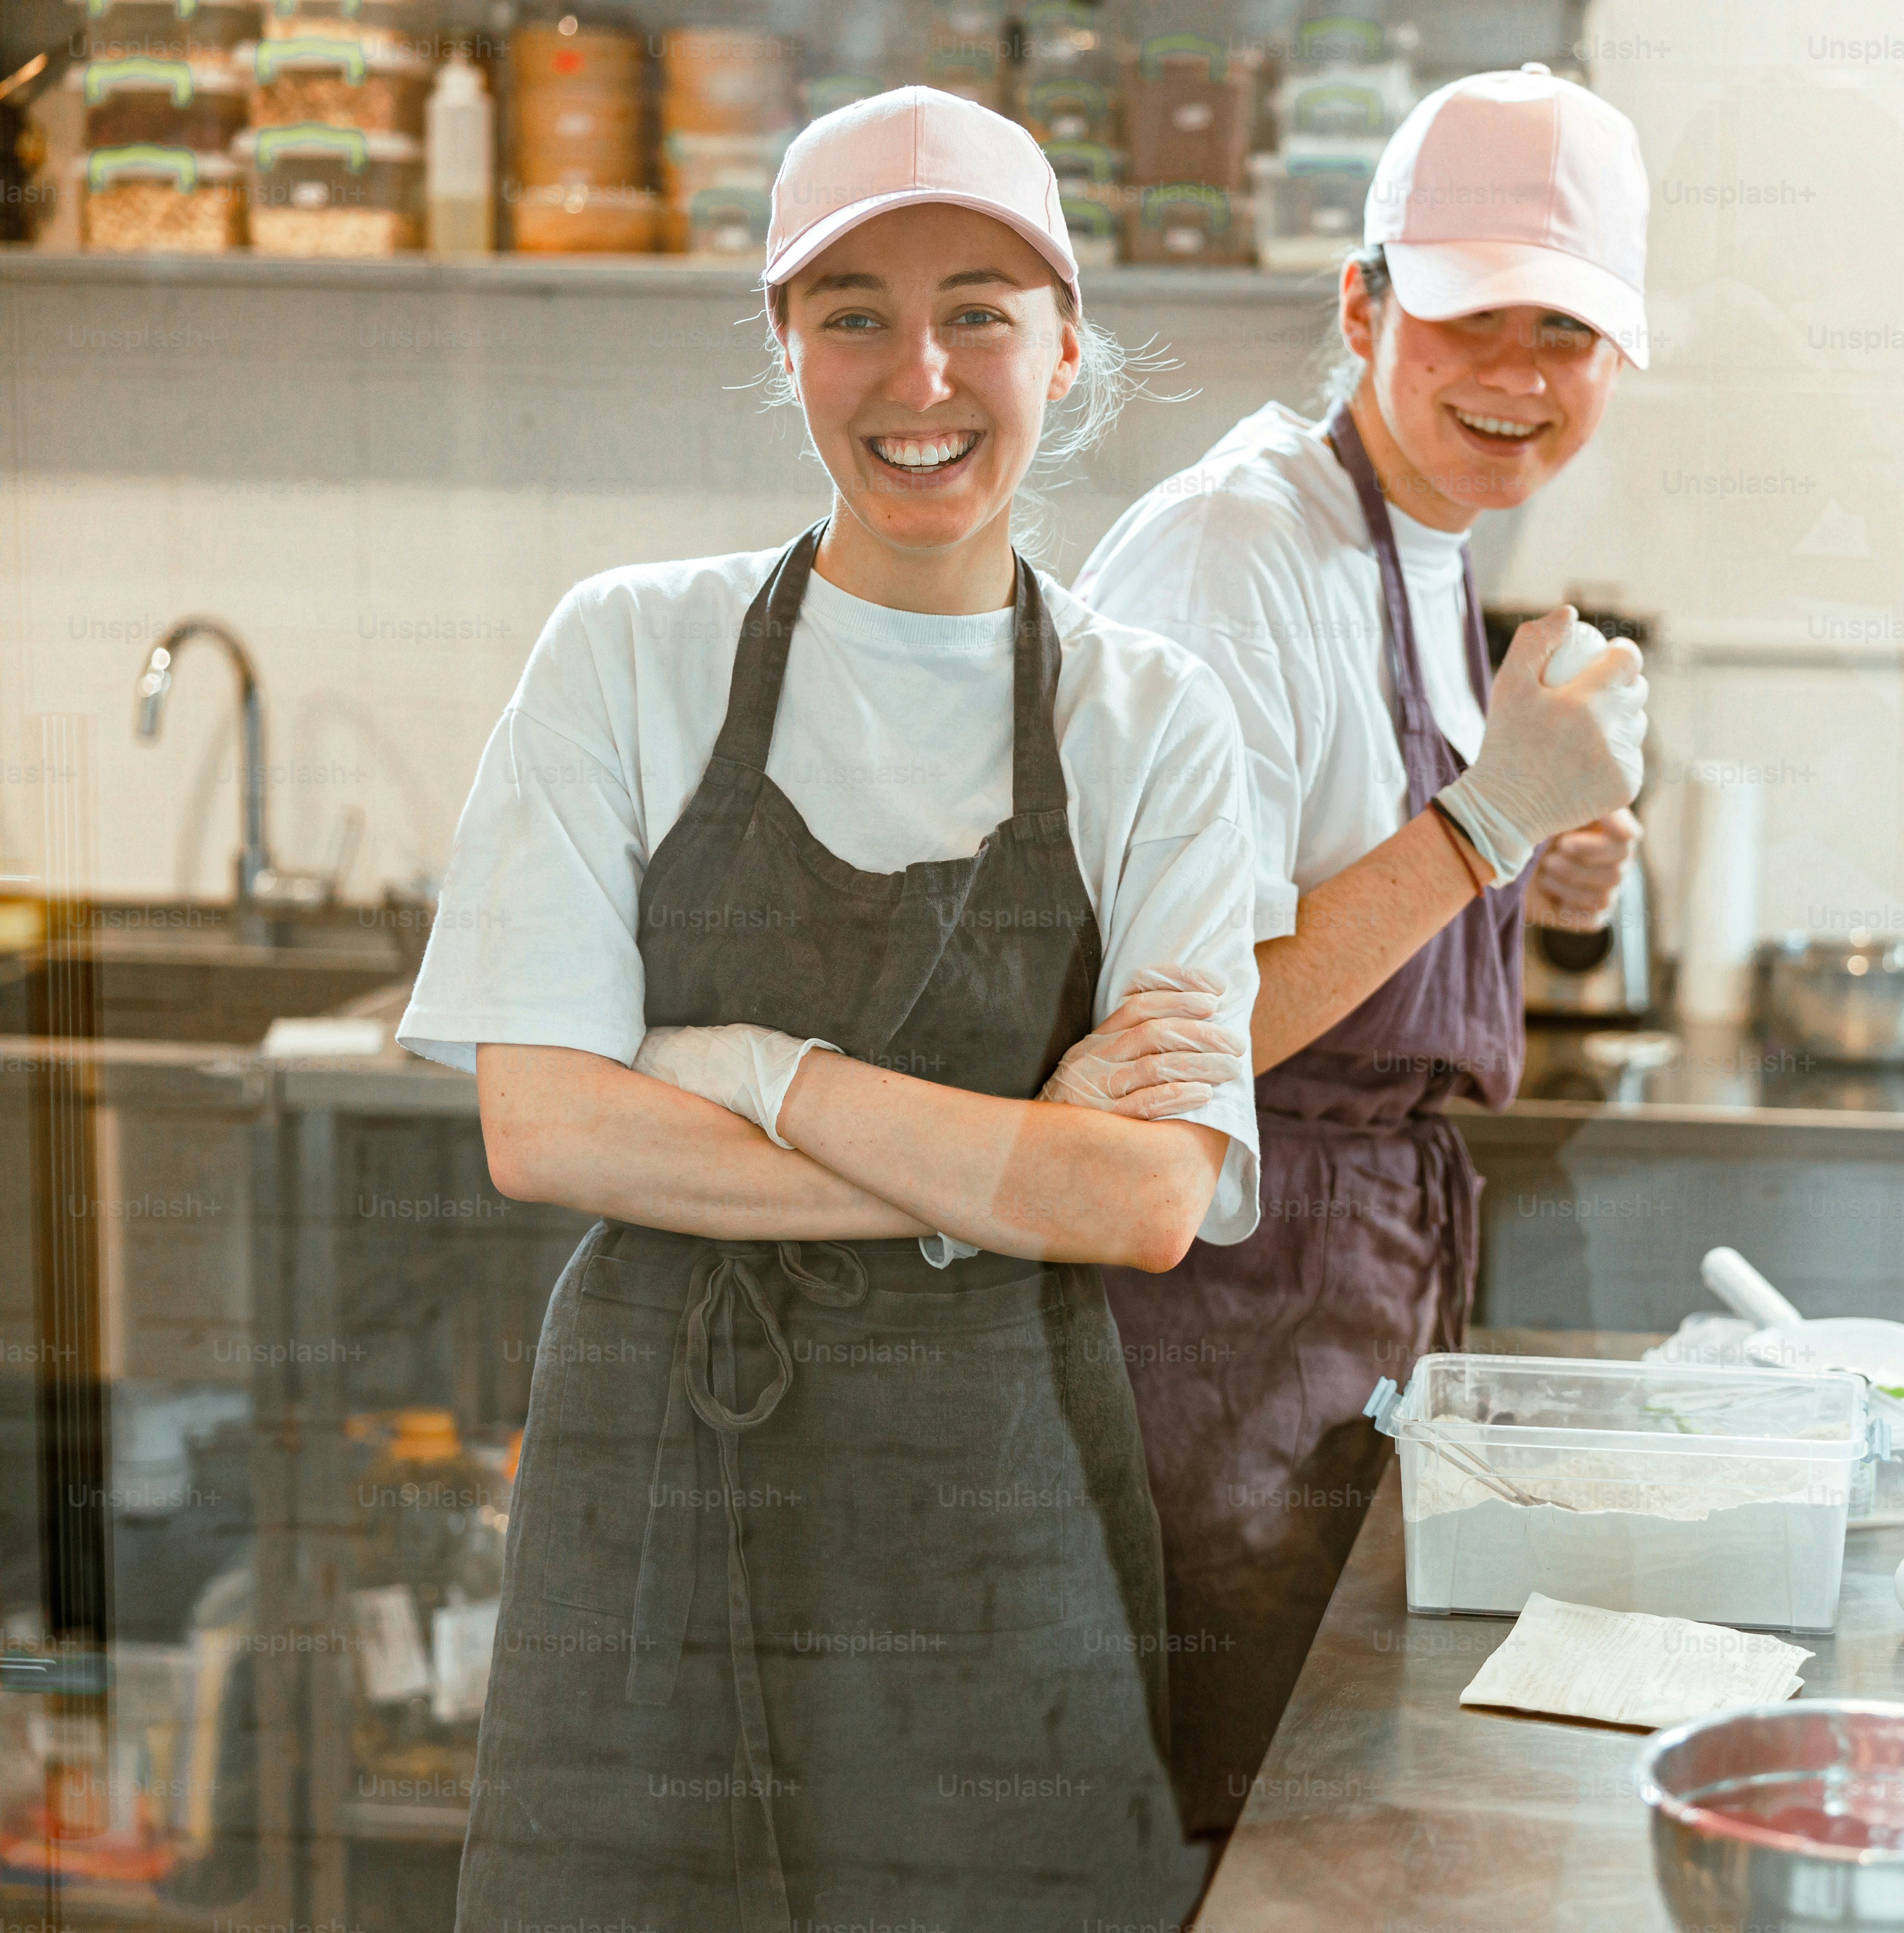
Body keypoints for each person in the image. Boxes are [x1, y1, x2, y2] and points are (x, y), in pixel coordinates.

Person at [393, 89, 1262, 1931]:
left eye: (980, 311)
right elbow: (547, 1129)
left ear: (1065, 343)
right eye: (852, 310)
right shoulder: (628, 649)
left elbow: (1145, 1205)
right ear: (783, 341)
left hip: (991, 1501)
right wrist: (1005, 1169)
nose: (917, 371)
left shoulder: (1152, 718)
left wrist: (745, 1074)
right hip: (654, 1483)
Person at [1072, 63, 1653, 1835]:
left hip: (1355, 1305)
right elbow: (1175, 1037)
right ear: (1362, 302)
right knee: (1236, 1835)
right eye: (1475, 316)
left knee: (1332, 1818)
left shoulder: (1421, 541)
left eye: (1569, 333)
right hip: (1216, 1317)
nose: (1521, 378)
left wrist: (1541, 864)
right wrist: (1481, 825)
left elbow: (1357, 871)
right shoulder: (1232, 552)